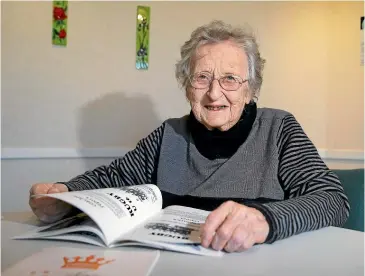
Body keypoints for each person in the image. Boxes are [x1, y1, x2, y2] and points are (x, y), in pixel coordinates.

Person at [29, 20, 349, 253]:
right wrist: (64, 194)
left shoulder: (279, 129)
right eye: (202, 78)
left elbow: (332, 200)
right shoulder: (169, 133)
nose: (213, 93)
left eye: (230, 79)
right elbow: (114, 177)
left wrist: (264, 218)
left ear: (252, 89)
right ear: (186, 85)